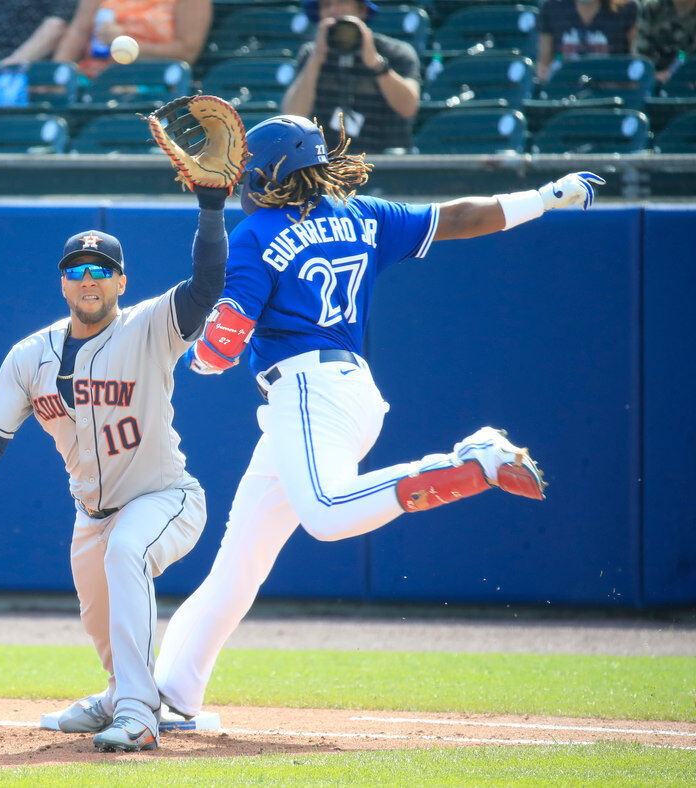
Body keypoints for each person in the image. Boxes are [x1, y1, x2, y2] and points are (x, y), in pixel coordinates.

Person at [140, 116, 605, 722]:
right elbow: (459, 217)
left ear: (268, 171)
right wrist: (543, 198)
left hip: (307, 392)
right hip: (347, 393)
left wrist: (198, 357)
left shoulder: (255, 233)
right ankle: (174, 695)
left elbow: (223, 343)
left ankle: (470, 459)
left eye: (249, 165)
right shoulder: (363, 213)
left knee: (327, 513)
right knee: (239, 563)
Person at [0, 186, 233, 753]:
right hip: (91, 514)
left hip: (166, 497)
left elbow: (207, 286)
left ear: (121, 282)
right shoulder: (29, 356)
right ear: (63, 283)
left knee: (127, 552)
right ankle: (119, 694)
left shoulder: (150, 326)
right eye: (76, 269)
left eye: (100, 269)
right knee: (99, 616)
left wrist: (211, 210)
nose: (88, 279)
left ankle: (139, 713)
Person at [282, 0, 420, 154]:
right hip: (326, 160)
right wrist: (317, 59)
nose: (334, 10)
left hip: (384, 160)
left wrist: (376, 63)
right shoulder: (310, 54)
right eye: (326, 5)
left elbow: (409, 108)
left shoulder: (396, 52)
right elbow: (292, 116)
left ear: (362, 10)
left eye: (342, 2)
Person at [53, 0, 212, 79]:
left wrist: (126, 45)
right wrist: (56, 76)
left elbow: (187, 52)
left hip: (150, 79)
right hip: (92, 75)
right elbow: (78, 31)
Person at [537, 0, 640, 82]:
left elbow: (632, 61)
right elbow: (544, 62)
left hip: (611, 93)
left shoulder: (627, 8)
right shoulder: (551, 7)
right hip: (565, 92)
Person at [635, 0, 696, 83]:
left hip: (689, 80)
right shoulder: (653, 9)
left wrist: (674, 73)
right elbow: (641, 50)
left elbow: (686, 54)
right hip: (652, 80)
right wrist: (652, 74)